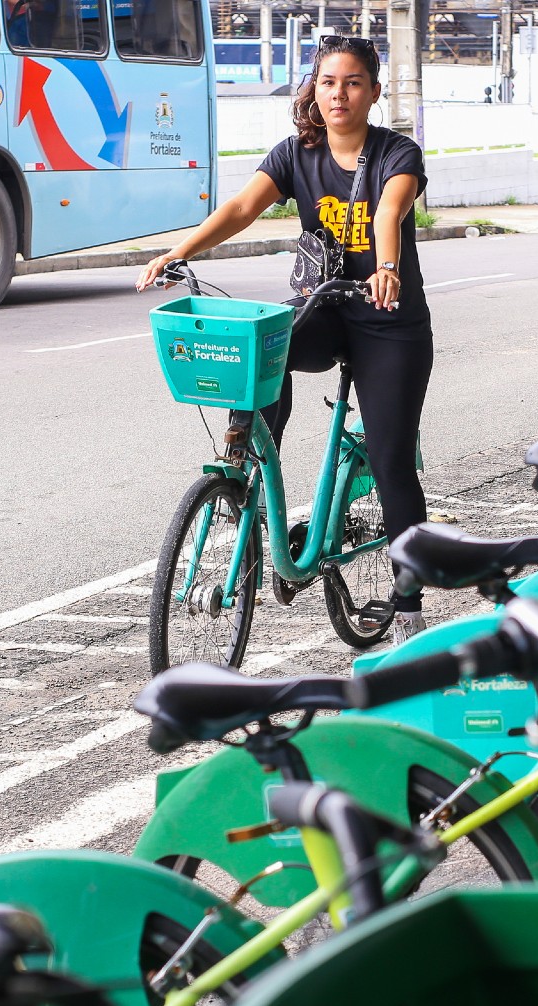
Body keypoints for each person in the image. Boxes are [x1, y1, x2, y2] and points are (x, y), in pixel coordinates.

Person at [138, 36, 434, 643]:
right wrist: (177, 252)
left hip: (388, 319)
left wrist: (386, 267)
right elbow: (244, 206)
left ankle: (409, 604)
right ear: (315, 90)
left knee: (391, 459)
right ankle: (247, 459)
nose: (339, 94)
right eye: (329, 82)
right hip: (324, 306)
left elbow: (389, 211)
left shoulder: (396, 152)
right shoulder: (295, 153)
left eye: (353, 83)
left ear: (374, 93)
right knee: (264, 350)